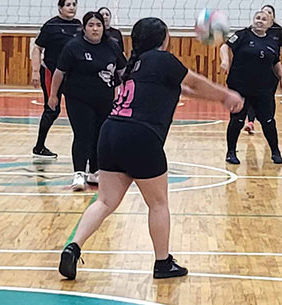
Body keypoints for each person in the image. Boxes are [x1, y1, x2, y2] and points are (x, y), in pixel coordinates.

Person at [58, 17, 243, 280]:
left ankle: (73, 247)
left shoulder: (134, 65)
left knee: (105, 201)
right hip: (141, 136)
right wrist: (226, 95)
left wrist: (219, 100)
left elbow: (184, 90)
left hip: (111, 132)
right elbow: (194, 82)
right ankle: (163, 263)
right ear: (163, 38)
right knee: (158, 203)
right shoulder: (162, 60)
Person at [48, 11, 127, 190]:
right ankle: (79, 174)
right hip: (78, 99)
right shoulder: (74, 46)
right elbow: (59, 72)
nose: (95, 29)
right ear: (84, 28)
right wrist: (53, 95)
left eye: (98, 25)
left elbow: (122, 72)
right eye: (91, 25)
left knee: (100, 135)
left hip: (105, 98)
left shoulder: (112, 46)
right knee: (83, 134)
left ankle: (95, 172)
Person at [220, 11, 282, 165]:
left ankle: (275, 152)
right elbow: (225, 46)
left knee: (268, 121)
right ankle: (231, 152)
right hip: (240, 86)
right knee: (237, 119)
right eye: (257, 18)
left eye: (264, 19)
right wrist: (225, 61)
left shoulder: (272, 41)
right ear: (253, 20)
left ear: (269, 24)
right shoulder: (242, 35)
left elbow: (275, 62)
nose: (260, 21)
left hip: (263, 88)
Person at [31, 0, 82, 158]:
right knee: (52, 109)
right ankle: (39, 147)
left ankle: (85, 148)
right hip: (51, 73)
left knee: (79, 110)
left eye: (74, 4)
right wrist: (35, 71)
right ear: (60, 8)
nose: (72, 7)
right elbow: (37, 48)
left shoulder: (79, 25)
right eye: (68, 4)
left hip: (72, 75)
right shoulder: (51, 25)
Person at [242, 4, 282, 134]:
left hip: (271, 70)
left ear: (273, 16)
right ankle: (250, 122)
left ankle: (269, 121)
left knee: (269, 97)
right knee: (251, 95)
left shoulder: (279, 31)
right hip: (254, 70)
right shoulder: (253, 30)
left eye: (269, 13)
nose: (266, 15)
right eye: (263, 12)